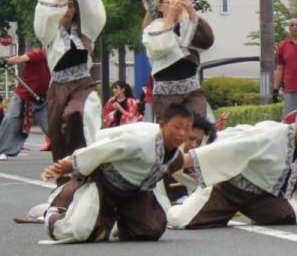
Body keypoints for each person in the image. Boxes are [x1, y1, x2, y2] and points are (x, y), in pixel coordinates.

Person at [38, 104, 194, 243]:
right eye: (177, 127)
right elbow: (103, 149)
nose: (182, 134)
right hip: (104, 185)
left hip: (135, 194)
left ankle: (112, 222)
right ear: (162, 125)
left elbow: (186, 162)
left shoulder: (176, 156)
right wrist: (70, 164)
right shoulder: (140, 141)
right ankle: (55, 212)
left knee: (151, 229)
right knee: (77, 231)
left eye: (187, 129)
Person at [168, 101, 297, 229]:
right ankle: (177, 205)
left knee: (294, 215)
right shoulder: (272, 135)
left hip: (262, 198)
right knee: (182, 221)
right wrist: (185, 160)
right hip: (229, 190)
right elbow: (234, 148)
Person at [35, 0, 106, 162]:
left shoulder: (85, 32)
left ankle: (87, 162)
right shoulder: (51, 35)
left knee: (79, 114)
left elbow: (94, 14)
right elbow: (45, 16)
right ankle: (64, 174)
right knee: (58, 134)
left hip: (83, 84)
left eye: (72, 6)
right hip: (58, 88)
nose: (68, 10)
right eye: (64, 6)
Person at [141, 0, 215, 120]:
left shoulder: (188, 25)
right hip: (166, 96)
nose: (174, 5)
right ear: (160, 6)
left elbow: (207, 41)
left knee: (197, 129)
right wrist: (170, 18)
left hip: (192, 91)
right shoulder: (153, 29)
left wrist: (191, 11)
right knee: (174, 134)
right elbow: (160, 47)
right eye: (169, 2)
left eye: (178, 1)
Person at [0, 44, 51, 160]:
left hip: (41, 100)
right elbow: (20, 59)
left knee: (51, 125)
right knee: (11, 120)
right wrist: (7, 61)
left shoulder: (55, 60)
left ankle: (66, 152)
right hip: (23, 96)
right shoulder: (37, 54)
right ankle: (3, 151)